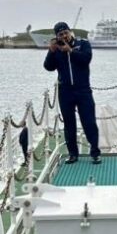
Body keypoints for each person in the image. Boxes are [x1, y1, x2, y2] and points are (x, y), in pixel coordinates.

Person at [43, 22, 101, 164]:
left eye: (66, 33)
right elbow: (48, 67)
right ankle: (73, 154)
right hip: (65, 91)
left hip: (83, 90)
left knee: (89, 122)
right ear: (57, 36)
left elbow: (86, 59)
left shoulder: (82, 44)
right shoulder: (57, 49)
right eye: (60, 34)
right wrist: (51, 51)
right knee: (69, 124)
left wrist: (70, 51)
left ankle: (95, 152)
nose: (64, 36)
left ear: (70, 32)